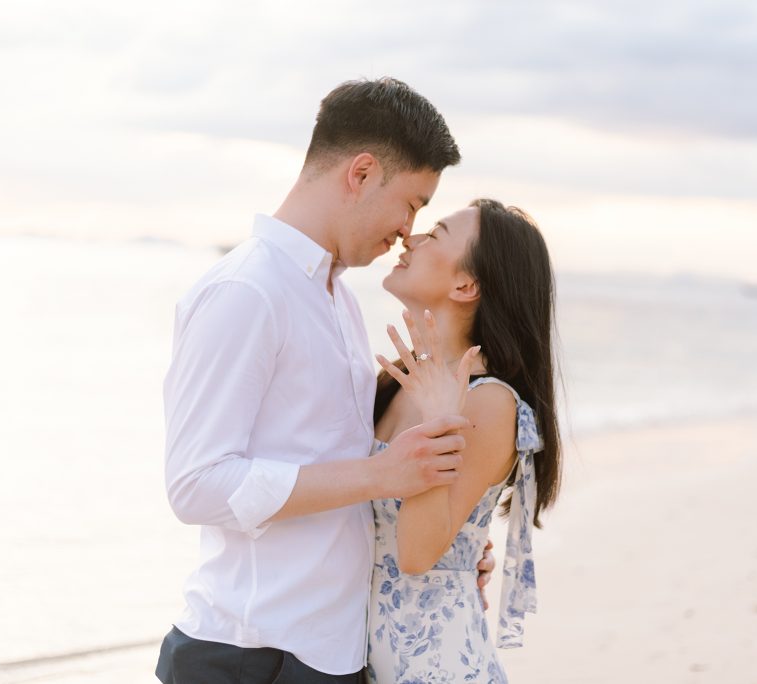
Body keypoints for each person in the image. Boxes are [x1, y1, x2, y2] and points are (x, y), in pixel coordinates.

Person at [156, 77, 494, 684]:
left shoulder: (340, 301)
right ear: (361, 174)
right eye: (412, 203)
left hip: (331, 652)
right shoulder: (246, 291)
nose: (407, 230)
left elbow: (332, 465)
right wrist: (380, 475)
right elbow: (196, 485)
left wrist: (454, 541)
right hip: (248, 652)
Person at [366, 199, 562, 683]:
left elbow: (415, 555)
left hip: (438, 668)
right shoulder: (395, 382)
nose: (409, 239)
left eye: (433, 235)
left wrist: (439, 421)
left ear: (466, 284)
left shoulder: (488, 404)